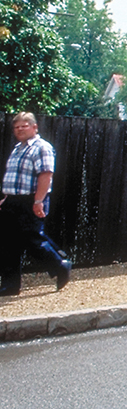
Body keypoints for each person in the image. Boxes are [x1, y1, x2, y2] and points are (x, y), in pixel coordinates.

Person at [0, 112, 72, 296]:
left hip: (31, 200)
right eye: (16, 127)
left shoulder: (42, 147)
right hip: (13, 201)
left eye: (24, 126)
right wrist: (7, 198)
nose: (20, 129)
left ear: (34, 127)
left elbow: (46, 175)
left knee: (33, 240)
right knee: (8, 244)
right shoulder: (17, 148)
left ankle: (60, 265)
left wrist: (38, 201)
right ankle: (10, 285)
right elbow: (16, 178)